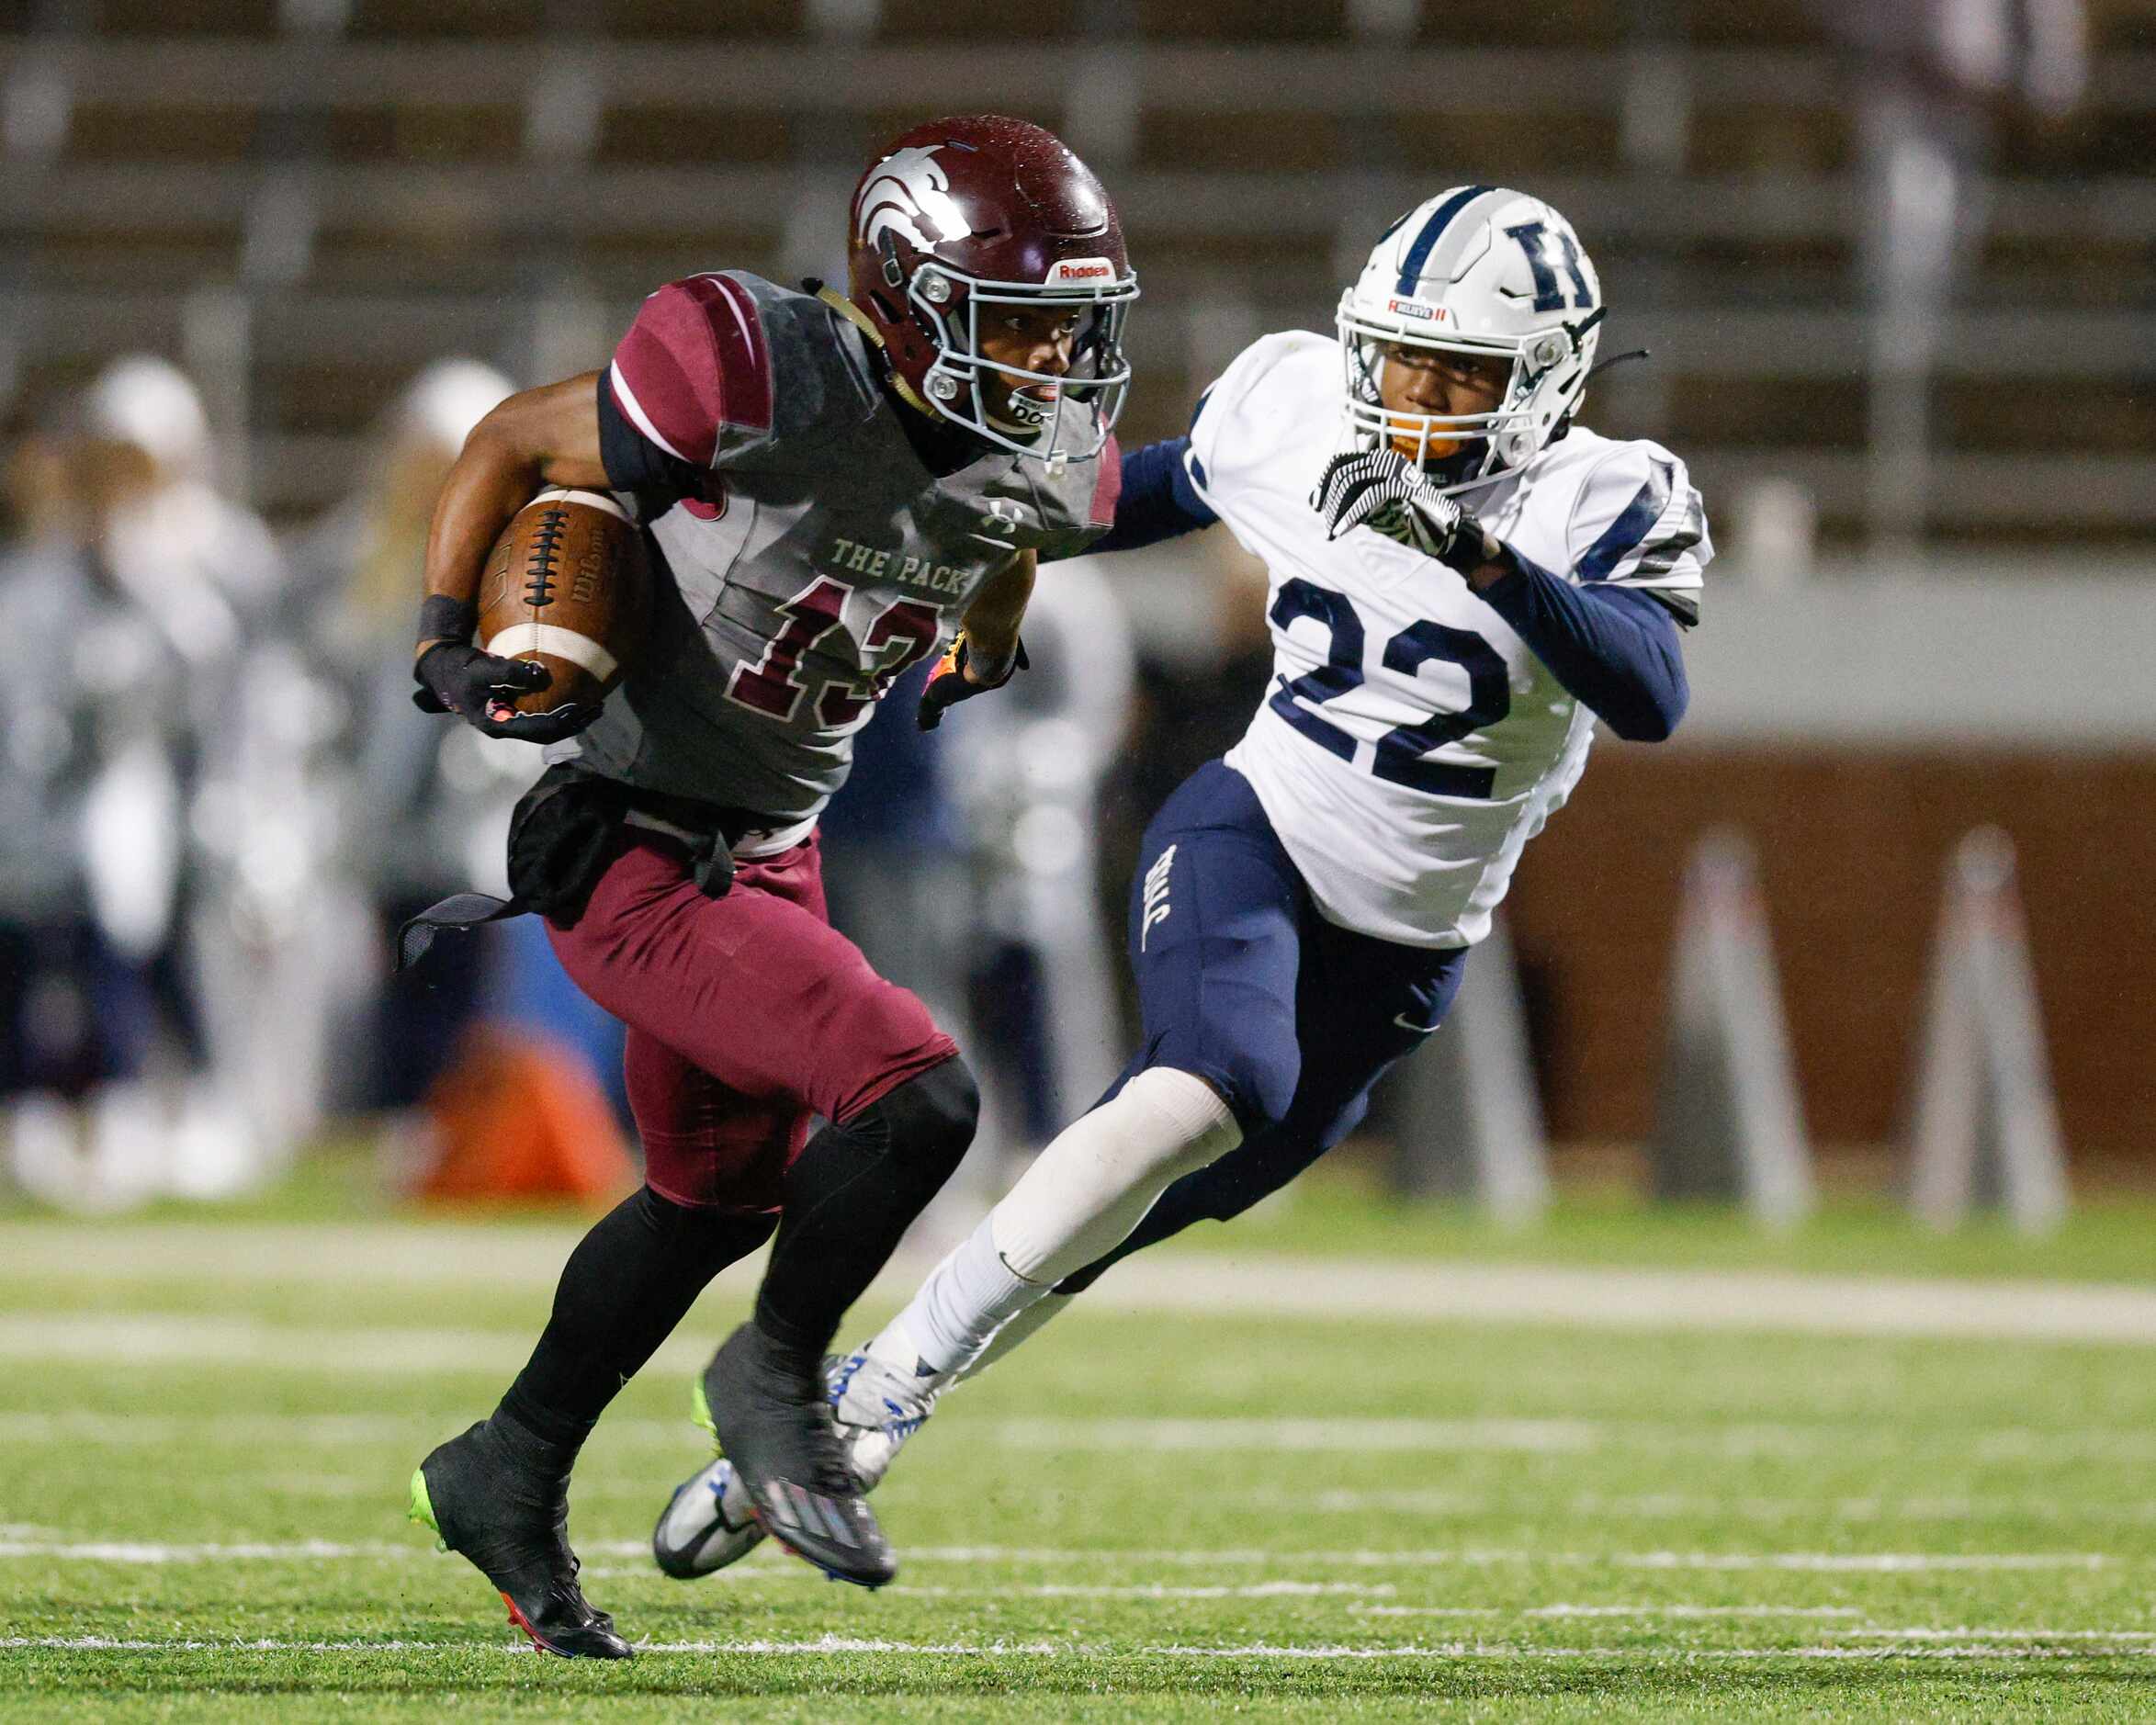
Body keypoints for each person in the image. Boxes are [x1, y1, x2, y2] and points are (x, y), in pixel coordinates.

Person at [657, 185, 1704, 1576]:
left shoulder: (1600, 496)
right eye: (1399, 359)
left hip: (1404, 950)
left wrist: (1477, 554)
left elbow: (1646, 688)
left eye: (1460, 374)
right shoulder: (1302, 411)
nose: (1415, 398)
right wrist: (954, 517)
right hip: (1252, 830)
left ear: (1546, 383)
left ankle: (839, 1408)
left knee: (1127, 1203)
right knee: (1219, 1078)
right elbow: (1121, 496)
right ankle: (867, 1405)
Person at [401, 114, 1135, 1656]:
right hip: (630, 835)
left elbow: (1005, 528)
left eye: (1077, 323)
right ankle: (777, 1374)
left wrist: (983, 635)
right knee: (918, 1094)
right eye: (1022, 324)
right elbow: (516, 441)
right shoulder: (763, 372)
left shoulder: (1037, 450)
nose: (1060, 360)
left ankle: (506, 1465)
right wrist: (441, 639)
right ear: (905, 297)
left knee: (712, 1198)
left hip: (773, 849)